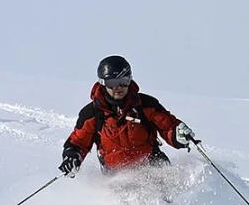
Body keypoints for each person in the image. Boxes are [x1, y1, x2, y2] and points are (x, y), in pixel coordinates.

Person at [59, 55, 197, 177]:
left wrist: (177, 135)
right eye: (112, 83)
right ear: (102, 83)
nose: (118, 87)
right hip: (116, 176)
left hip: (153, 166)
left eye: (123, 81)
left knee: (171, 196)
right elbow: (78, 142)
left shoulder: (146, 105)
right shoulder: (92, 113)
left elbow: (168, 126)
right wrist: (72, 156)